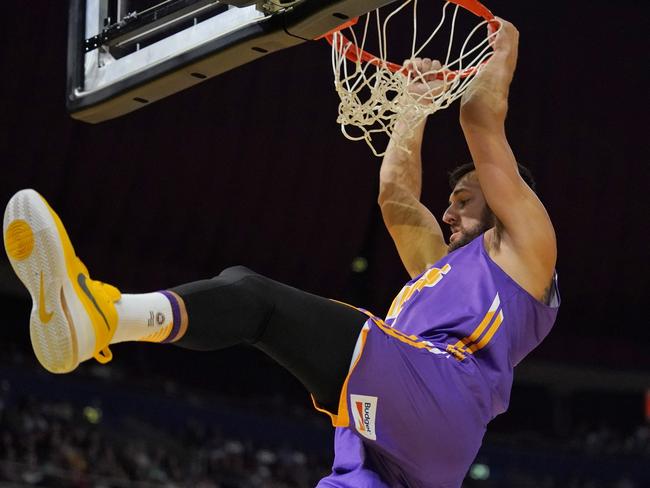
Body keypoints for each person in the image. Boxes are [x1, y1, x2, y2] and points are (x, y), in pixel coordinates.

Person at [3, 19, 558, 488]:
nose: (447, 213)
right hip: (384, 446)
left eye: (463, 200)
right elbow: (395, 199)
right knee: (254, 303)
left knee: (255, 300)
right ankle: (94, 319)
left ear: (507, 199)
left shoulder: (526, 250)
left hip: (441, 398)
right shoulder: (441, 269)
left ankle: (99, 316)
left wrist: (501, 47)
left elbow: (480, 119)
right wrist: (411, 107)